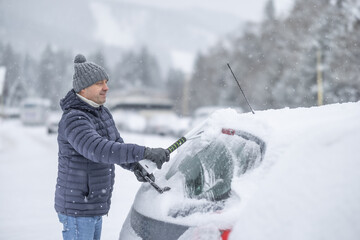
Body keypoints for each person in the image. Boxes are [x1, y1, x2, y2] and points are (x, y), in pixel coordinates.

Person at [54, 53, 169, 240]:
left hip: (92, 205)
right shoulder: (74, 118)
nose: (106, 88)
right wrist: (144, 152)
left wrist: (135, 165)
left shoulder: (101, 113)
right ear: (83, 89)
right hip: (78, 209)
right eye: (99, 83)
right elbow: (100, 150)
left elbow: (116, 145)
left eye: (106, 82)